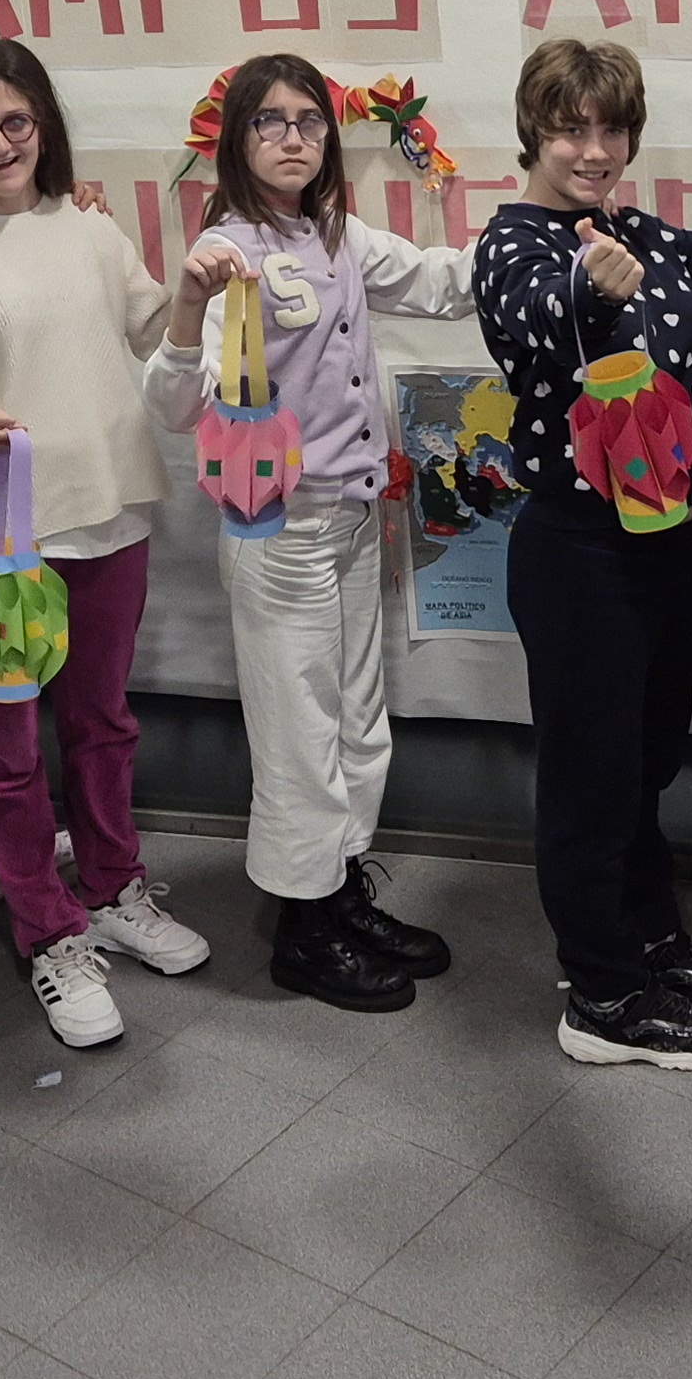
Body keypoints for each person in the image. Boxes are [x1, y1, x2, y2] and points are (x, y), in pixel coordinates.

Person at [0, 39, 206, 1049]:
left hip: (110, 519)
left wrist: (209, 292)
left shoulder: (90, 231)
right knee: (5, 750)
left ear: (44, 126)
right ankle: (48, 930)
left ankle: (112, 886)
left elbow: (156, 332)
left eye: (16, 122)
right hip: (1, 547)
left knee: (102, 723)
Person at [144, 57, 470, 1014]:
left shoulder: (336, 232)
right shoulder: (228, 250)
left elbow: (438, 281)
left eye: (310, 122)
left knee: (358, 716)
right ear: (236, 139)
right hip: (278, 526)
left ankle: (341, 888)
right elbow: (173, 407)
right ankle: (302, 928)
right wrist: (189, 306)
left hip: (356, 515)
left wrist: (535, 245)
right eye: (270, 121)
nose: (294, 138)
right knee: (298, 727)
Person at [473, 36, 692, 1070]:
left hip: (667, 535)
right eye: (570, 129)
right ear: (534, 133)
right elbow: (534, 316)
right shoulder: (514, 242)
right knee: (590, 776)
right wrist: (590, 289)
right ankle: (598, 992)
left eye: (611, 128)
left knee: (646, 759)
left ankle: (649, 936)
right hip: (580, 550)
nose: (594, 149)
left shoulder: (638, 228)